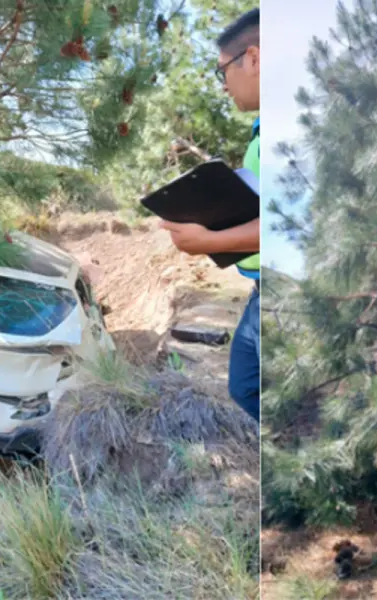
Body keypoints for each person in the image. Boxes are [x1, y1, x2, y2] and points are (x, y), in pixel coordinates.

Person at [158, 8, 260, 421]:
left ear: (252, 59)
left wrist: (207, 242)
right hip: (260, 293)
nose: (223, 87)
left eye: (223, 72)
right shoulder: (262, 132)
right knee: (245, 386)